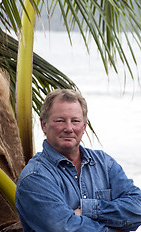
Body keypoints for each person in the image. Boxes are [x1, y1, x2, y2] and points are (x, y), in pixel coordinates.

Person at [15, 89, 141, 232]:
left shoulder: (105, 164)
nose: (69, 128)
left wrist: (88, 209)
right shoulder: (35, 177)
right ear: (44, 125)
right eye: (60, 121)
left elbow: (138, 208)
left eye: (75, 121)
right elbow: (63, 228)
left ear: (84, 126)